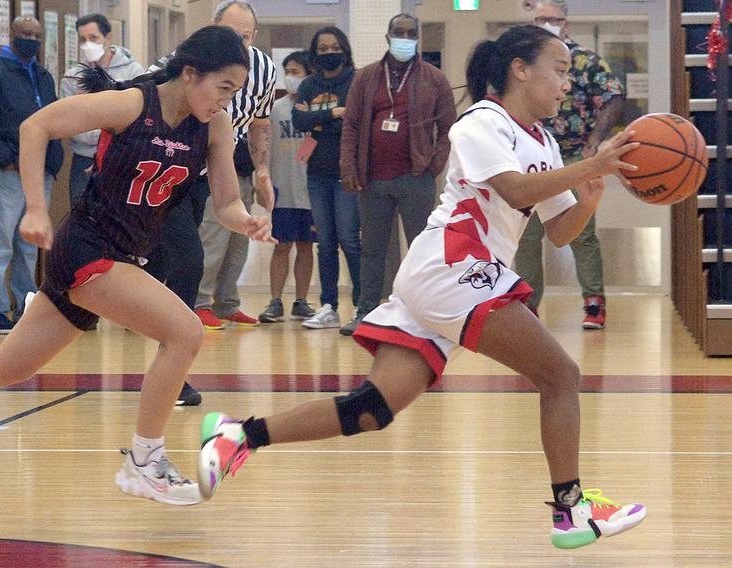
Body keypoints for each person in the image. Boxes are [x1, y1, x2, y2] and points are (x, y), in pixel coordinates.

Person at [197, 25, 646, 549]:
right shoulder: (484, 121)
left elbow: (558, 230)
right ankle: (571, 511)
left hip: (454, 277)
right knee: (560, 374)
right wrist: (589, 164)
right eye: (561, 70)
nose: (566, 85)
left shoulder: (544, 141)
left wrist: (588, 196)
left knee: (372, 409)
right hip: (453, 266)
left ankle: (237, 435)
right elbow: (512, 188)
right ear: (520, 70)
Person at [0, 26, 273, 507]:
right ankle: (145, 461)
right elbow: (36, 127)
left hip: (117, 256)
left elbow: (225, 202)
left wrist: (247, 222)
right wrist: (36, 207)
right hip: (87, 249)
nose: (226, 101)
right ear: (190, 73)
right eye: (223, 88)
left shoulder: (215, 127)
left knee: (10, 365)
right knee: (185, 333)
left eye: (235, 93)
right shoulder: (132, 105)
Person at [338, 13, 456, 336]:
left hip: (414, 178)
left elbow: (448, 129)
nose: (404, 37)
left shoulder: (434, 78)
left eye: (410, 33)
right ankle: (367, 311)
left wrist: (433, 165)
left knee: (420, 248)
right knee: (373, 249)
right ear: (388, 37)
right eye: (398, 32)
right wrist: (348, 167)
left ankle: (420, 313)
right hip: (372, 178)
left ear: (417, 38)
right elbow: (350, 125)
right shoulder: (366, 78)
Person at [513, 0, 626, 329]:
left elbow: (613, 96)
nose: (548, 24)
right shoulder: (524, 65)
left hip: (576, 151)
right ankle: (528, 305)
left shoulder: (585, 60)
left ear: (566, 23)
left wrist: (596, 139)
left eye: (554, 19)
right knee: (527, 233)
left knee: (582, 232)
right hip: (535, 153)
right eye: (541, 19)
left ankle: (594, 304)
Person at [0, 16, 61, 334]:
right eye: (25, 34)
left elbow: (54, 119)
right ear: (11, 36)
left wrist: (53, 161)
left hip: (41, 171)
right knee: (0, 244)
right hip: (8, 171)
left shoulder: (44, 75)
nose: (31, 39)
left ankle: (25, 307)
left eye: (36, 35)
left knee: (30, 246)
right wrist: (4, 159)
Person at [192, 0, 277, 330]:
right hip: (196, 158)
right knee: (210, 235)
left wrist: (263, 171)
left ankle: (227, 302)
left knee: (239, 237)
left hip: (236, 157)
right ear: (213, 25)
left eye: (244, 37)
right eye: (229, 33)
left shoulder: (266, 69)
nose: (237, 43)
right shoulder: (194, 59)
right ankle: (199, 302)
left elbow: (261, 123)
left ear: (254, 36)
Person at [293, 26, 361, 330]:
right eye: (323, 49)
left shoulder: (356, 81)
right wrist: (334, 115)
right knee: (325, 242)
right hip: (317, 173)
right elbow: (299, 120)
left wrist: (319, 120)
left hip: (346, 174)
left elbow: (356, 121)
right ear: (315, 53)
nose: (329, 53)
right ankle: (329, 305)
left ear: (344, 49)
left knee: (350, 240)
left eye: (334, 47)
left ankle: (364, 305)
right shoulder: (308, 85)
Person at [258, 51, 318, 323]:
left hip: (312, 189)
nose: (291, 77)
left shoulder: (318, 107)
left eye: (297, 71)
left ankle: (301, 301)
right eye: (288, 71)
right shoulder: (276, 108)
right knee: (281, 245)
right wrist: (264, 179)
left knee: (306, 246)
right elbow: (265, 147)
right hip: (283, 187)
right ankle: (275, 301)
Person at [60, 13, 144, 208]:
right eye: (83, 39)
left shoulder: (132, 72)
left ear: (108, 38)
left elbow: (137, 121)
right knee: (81, 213)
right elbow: (69, 124)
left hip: (122, 157)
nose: (88, 44)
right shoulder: (73, 77)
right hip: (84, 158)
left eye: (93, 38)